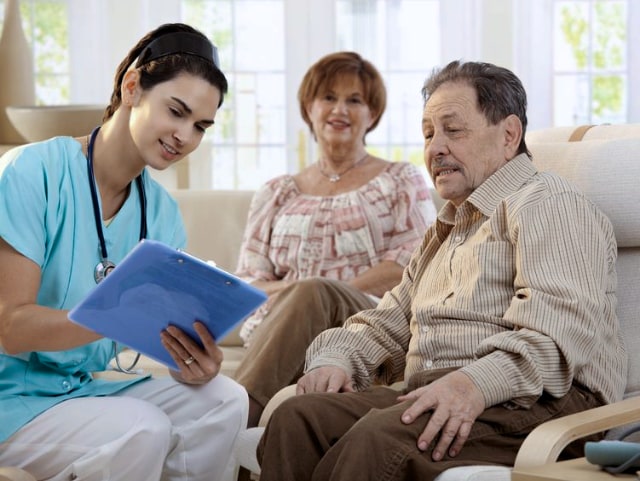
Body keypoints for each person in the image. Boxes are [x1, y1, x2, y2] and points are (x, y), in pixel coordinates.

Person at [255, 60, 628, 480]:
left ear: (509, 135)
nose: (435, 148)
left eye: (453, 130)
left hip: (537, 401)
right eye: (429, 133)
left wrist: (471, 385)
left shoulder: (547, 204)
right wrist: (336, 359)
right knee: (298, 419)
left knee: (378, 439)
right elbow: (386, 322)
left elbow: (556, 337)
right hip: (440, 391)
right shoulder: (446, 228)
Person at [0, 23, 248, 480]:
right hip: (10, 398)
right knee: (141, 427)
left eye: (200, 127)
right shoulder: (33, 172)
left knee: (224, 399)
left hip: (79, 390)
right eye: (176, 111)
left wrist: (190, 364)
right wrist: (116, 309)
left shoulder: (162, 214)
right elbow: (12, 329)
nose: (184, 137)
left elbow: (154, 334)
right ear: (132, 87)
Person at [233, 51, 437, 427]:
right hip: (278, 330)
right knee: (309, 293)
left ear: (372, 114)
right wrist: (300, 298)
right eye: (329, 97)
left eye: (354, 100)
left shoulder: (400, 179)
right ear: (308, 108)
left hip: (363, 320)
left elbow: (408, 268)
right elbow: (247, 284)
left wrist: (320, 294)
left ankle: (232, 422)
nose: (339, 109)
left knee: (314, 292)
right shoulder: (276, 192)